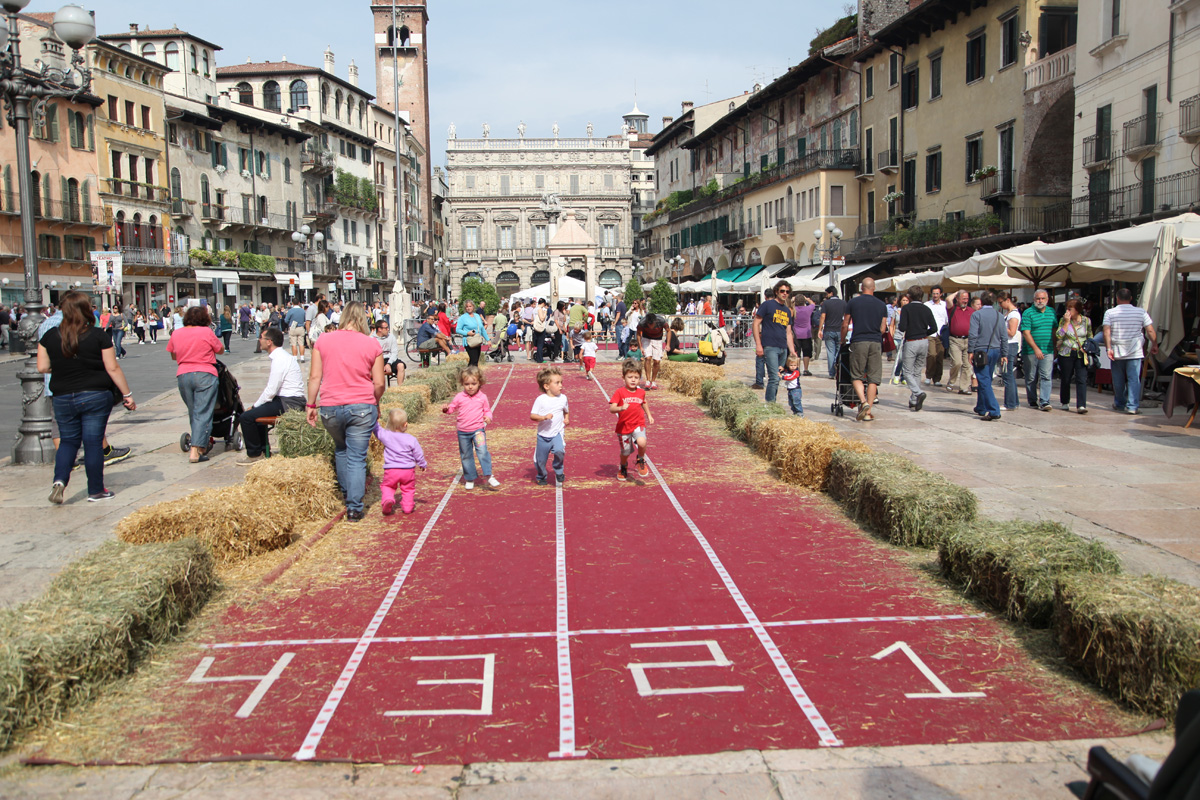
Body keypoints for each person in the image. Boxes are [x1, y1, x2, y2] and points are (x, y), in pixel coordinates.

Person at [38, 291, 136, 504]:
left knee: (67, 442)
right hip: (95, 395)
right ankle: (96, 491)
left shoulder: (50, 336)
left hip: (62, 396)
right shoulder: (98, 335)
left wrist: (65, 365)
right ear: (86, 310)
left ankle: (59, 482)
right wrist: (127, 395)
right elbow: (112, 367)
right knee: (92, 443)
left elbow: (42, 367)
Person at [307, 302, 386, 521]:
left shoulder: (323, 340)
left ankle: (345, 493)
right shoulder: (372, 344)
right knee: (357, 457)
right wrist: (375, 401)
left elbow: (314, 377)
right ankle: (354, 506)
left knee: (341, 448)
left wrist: (311, 405)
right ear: (363, 318)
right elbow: (379, 383)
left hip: (330, 406)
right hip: (361, 406)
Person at [236, 328, 306, 463]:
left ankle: (255, 454)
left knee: (246, 417)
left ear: (269, 342)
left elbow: (271, 390)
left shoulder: (280, 359)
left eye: (261, 338)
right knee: (256, 413)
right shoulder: (281, 356)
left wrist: (254, 405)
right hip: (286, 399)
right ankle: (262, 449)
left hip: (289, 402)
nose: (259, 340)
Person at [167, 305, 225, 463]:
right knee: (203, 412)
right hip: (205, 373)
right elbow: (220, 349)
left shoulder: (177, 333)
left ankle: (201, 446)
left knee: (194, 412)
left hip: (184, 374)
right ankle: (195, 450)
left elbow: (173, 355)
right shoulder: (206, 331)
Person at [1103, 287, 1158, 415]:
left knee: (1118, 378)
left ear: (1117, 299)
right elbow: (1150, 330)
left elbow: (1106, 331)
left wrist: (1108, 348)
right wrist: (1154, 343)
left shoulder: (1110, 313)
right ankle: (1132, 406)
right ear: (1131, 298)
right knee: (1134, 378)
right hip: (1135, 350)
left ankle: (1120, 403)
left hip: (1117, 349)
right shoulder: (1141, 312)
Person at [442, 365, 498, 490]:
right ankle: (470, 477)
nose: (470, 387)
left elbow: (487, 410)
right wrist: (446, 409)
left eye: (473, 383)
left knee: (482, 451)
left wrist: (488, 417)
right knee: (466, 455)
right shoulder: (459, 397)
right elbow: (452, 408)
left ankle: (489, 475)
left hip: (478, 431)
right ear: (463, 384)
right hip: (463, 432)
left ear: (480, 383)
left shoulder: (482, 397)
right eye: (467, 384)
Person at [841, 277, 888, 421]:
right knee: (873, 378)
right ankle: (867, 413)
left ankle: (863, 402)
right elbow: (883, 327)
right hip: (875, 342)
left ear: (862, 288)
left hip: (859, 341)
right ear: (874, 288)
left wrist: (842, 340)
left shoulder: (853, 302)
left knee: (856, 375)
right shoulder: (881, 305)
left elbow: (845, 324)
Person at [374, 408, 427, 515]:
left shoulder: (386, 436)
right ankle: (407, 507)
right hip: (408, 470)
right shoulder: (411, 439)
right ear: (405, 424)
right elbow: (418, 453)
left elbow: (377, 430)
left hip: (391, 469)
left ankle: (388, 499)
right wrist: (422, 463)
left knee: (388, 486)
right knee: (408, 489)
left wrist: (374, 420)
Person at [609, 359, 653, 481]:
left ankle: (640, 459)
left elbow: (644, 402)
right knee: (626, 452)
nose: (633, 380)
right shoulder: (620, 392)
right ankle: (623, 466)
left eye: (636, 377)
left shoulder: (641, 392)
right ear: (623, 378)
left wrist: (649, 415)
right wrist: (620, 408)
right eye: (630, 377)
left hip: (638, 424)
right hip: (624, 427)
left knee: (642, 442)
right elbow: (611, 409)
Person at [754, 281, 797, 404]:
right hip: (770, 346)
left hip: (783, 347)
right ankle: (770, 404)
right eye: (782, 291)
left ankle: (772, 402)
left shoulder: (788, 311)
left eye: (787, 292)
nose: (784, 294)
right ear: (776, 291)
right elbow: (756, 323)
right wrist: (758, 344)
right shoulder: (768, 305)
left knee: (777, 377)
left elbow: (788, 332)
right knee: (773, 377)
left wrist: (792, 350)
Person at [896, 285, 937, 411]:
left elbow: (902, 327)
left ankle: (918, 393)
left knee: (907, 371)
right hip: (924, 341)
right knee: (917, 371)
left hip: (912, 341)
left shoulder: (906, 309)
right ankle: (914, 400)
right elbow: (934, 328)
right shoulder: (926, 309)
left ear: (909, 296)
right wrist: (924, 333)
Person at [968, 291, 1006, 421]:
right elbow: (1004, 336)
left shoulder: (976, 315)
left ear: (981, 302)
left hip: (980, 350)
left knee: (983, 380)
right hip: (995, 350)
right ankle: (981, 407)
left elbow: (973, 334)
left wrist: (970, 351)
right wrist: (1004, 353)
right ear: (994, 302)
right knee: (987, 378)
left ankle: (994, 409)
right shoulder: (999, 315)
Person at [530, 366, 569, 486]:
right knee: (540, 460)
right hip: (543, 435)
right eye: (557, 383)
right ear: (547, 386)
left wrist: (566, 418)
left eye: (561, 382)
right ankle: (541, 476)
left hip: (557, 433)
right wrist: (543, 417)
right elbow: (532, 415)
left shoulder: (563, 398)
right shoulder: (541, 400)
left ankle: (559, 471)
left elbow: (566, 410)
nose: (561, 385)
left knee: (559, 451)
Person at [1021, 289, 1057, 411]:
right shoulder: (1028, 312)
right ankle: (1032, 401)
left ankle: (1044, 401)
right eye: (1038, 298)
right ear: (1034, 300)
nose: (1040, 301)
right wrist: (1036, 349)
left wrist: (1055, 346)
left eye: (1043, 298)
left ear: (1047, 300)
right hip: (1030, 351)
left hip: (1048, 349)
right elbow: (1026, 333)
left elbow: (1054, 330)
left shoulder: (1052, 312)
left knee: (1046, 376)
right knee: (1031, 377)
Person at [1056, 298, 1092, 413]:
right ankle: (1065, 402)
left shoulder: (1086, 321)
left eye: (1070, 309)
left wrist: (1088, 347)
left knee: (1081, 378)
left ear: (1077, 310)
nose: (1067, 311)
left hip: (1081, 353)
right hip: (1066, 351)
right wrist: (1066, 323)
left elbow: (1090, 335)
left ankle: (1081, 405)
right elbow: (1059, 335)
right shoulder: (1064, 320)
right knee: (1066, 378)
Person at [945, 291, 974, 395]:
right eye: (963, 299)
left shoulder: (971, 310)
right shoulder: (952, 308)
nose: (965, 301)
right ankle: (951, 381)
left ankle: (964, 387)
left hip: (968, 340)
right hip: (955, 340)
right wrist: (957, 292)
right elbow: (948, 299)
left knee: (967, 364)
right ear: (957, 299)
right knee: (957, 362)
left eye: (967, 299)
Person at [998, 292, 1023, 411]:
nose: (1000, 305)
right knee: (1009, 376)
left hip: (1009, 345)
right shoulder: (1008, 313)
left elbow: (1012, 332)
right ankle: (1014, 401)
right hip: (1007, 344)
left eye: (1000, 302)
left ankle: (1010, 403)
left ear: (1007, 300)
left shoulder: (1013, 314)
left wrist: (1000, 325)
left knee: (1007, 375)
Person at [817, 286, 846, 379]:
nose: (826, 296)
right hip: (840, 330)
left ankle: (832, 373)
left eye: (827, 293)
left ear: (831, 293)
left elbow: (823, 316)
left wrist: (820, 329)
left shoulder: (826, 303)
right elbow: (846, 317)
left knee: (830, 352)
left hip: (829, 330)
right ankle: (839, 371)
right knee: (838, 351)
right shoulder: (843, 303)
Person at [924, 287, 949, 386]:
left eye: (937, 293)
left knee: (940, 356)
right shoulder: (927, 305)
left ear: (941, 294)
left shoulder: (945, 305)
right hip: (930, 332)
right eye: (933, 293)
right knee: (932, 354)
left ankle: (937, 378)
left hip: (941, 333)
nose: (935, 295)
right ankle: (928, 375)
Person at [455, 300, 489, 367]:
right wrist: (467, 333)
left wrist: (488, 340)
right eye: (467, 306)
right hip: (469, 341)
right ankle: (470, 374)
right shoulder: (463, 317)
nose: (468, 308)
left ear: (473, 307)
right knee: (474, 360)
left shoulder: (477, 316)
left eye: (470, 306)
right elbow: (457, 330)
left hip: (477, 340)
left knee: (475, 361)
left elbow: (482, 328)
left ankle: (470, 374)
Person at [638, 311, 666, 389]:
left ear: (655, 322)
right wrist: (640, 346)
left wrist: (668, 344)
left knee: (657, 361)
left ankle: (653, 381)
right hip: (646, 338)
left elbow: (669, 330)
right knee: (648, 358)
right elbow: (638, 333)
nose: (650, 326)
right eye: (649, 325)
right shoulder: (642, 322)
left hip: (658, 339)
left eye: (652, 324)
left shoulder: (661, 320)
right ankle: (648, 380)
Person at [791, 292, 815, 375]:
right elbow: (813, 304)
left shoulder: (793, 309)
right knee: (806, 353)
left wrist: (792, 300)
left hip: (796, 334)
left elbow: (788, 306)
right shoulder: (808, 309)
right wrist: (807, 299)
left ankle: (797, 369)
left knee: (797, 352)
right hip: (806, 334)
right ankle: (806, 369)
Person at [889, 293, 910, 384]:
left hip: (907, 337)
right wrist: (891, 336)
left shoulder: (910, 311)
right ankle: (897, 374)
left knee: (906, 358)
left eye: (906, 300)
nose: (905, 302)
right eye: (903, 300)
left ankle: (904, 376)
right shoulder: (896, 312)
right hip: (897, 337)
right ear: (900, 301)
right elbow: (892, 325)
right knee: (900, 357)